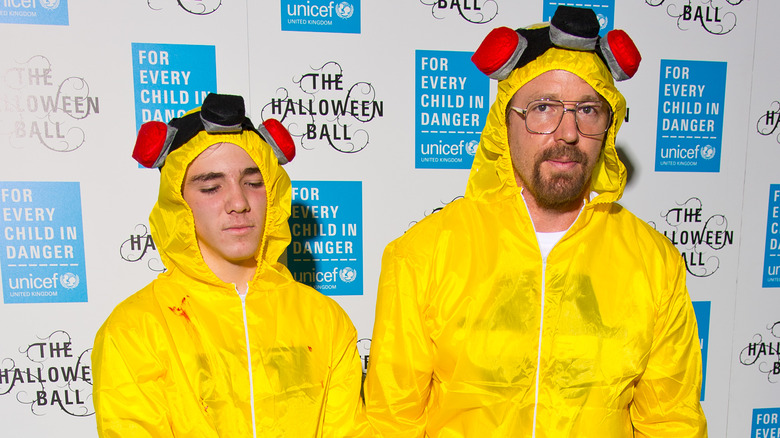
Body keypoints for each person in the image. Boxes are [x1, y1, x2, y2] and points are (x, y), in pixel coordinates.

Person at [364, 6, 707, 437]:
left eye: (588, 109)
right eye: (543, 107)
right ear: (504, 121)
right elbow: (389, 424)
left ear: (609, 123)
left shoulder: (655, 264)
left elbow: (671, 422)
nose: (567, 132)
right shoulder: (423, 255)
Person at [92, 94, 368, 437]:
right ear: (178, 203)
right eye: (211, 187)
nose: (238, 202)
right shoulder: (134, 329)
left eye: (253, 184)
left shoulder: (325, 319)